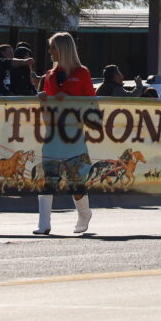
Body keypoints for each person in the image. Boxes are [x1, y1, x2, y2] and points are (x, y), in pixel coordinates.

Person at [35, 32, 95, 236]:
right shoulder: (48, 76)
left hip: (74, 136)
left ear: (63, 49)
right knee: (47, 179)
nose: (50, 52)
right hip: (52, 135)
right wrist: (44, 99)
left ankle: (84, 214)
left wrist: (68, 99)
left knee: (76, 183)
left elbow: (92, 105)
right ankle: (44, 224)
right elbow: (45, 110)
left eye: (53, 47)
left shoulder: (82, 72)